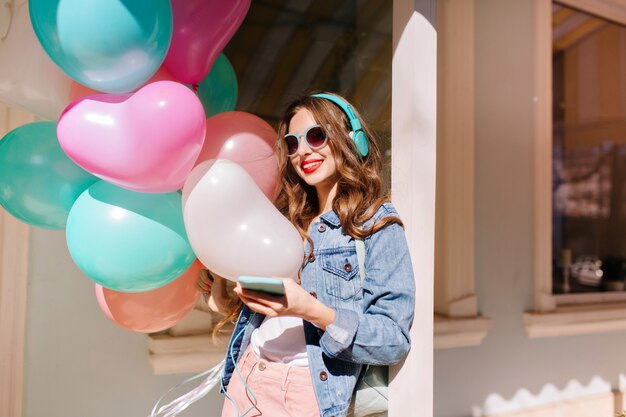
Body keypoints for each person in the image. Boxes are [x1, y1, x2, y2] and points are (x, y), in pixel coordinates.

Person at [197, 92, 416, 417]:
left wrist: (313, 310)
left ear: (351, 140)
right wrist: (222, 294)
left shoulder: (377, 225)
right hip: (249, 375)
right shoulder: (284, 218)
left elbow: (393, 338)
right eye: (292, 143)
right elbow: (272, 317)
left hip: (306, 391)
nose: (303, 151)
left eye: (316, 136)